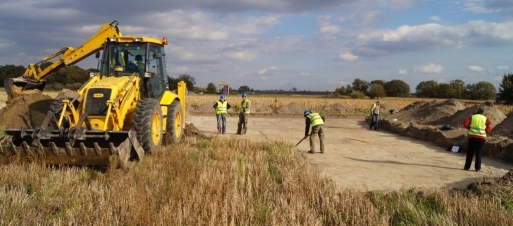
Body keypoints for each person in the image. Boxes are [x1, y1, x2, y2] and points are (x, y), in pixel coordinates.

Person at [463, 105, 492, 172]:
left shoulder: (472, 117)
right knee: (479, 153)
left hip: (472, 136)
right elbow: (488, 129)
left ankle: (467, 167)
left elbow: (465, 123)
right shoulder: (486, 119)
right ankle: (477, 168)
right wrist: (486, 132)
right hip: (482, 138)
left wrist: (469, 128)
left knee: (470, 152)